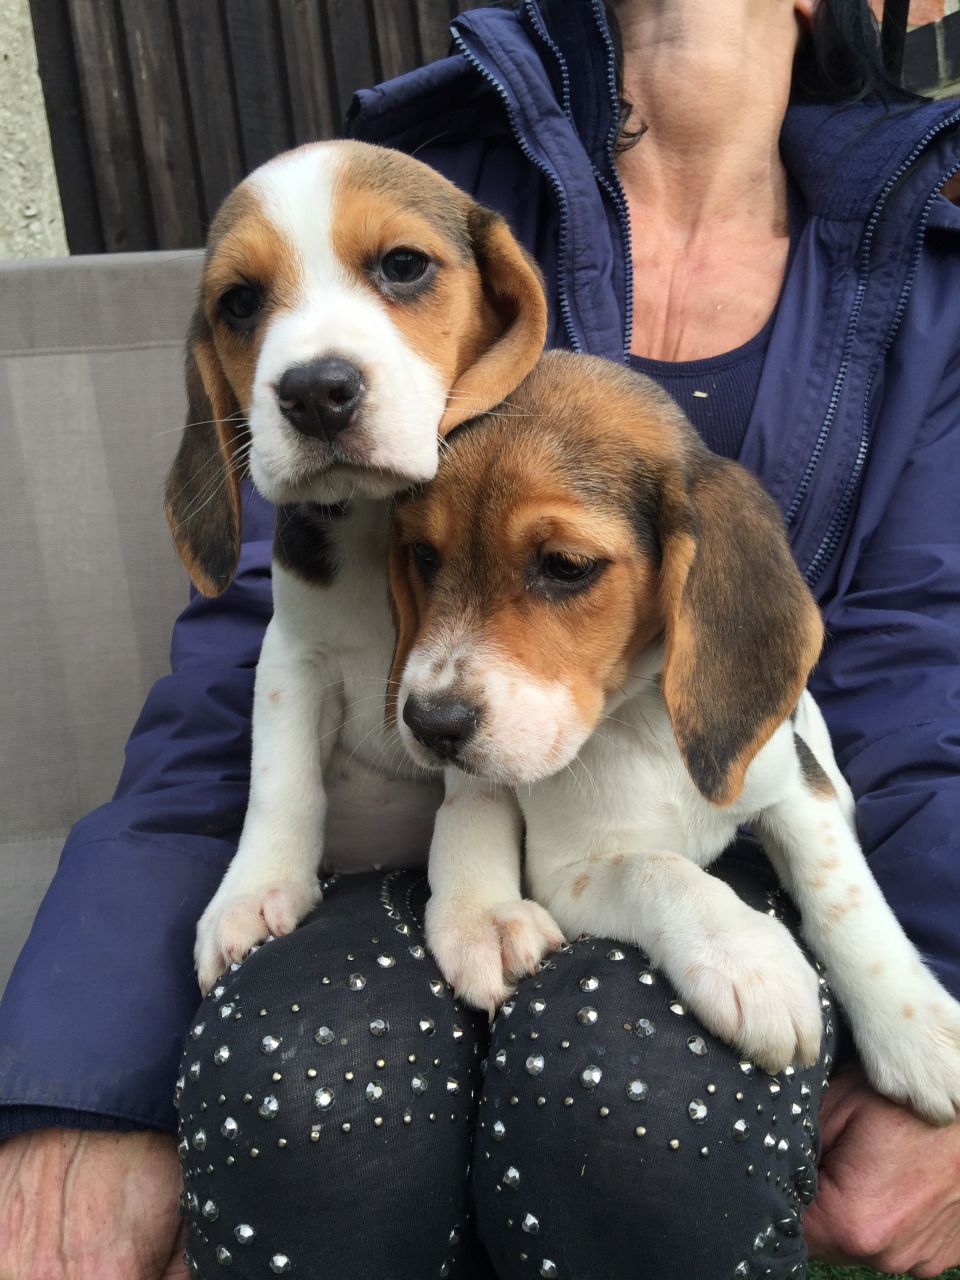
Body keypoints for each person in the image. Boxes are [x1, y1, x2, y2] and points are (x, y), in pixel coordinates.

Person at [2, 0, 959, 1276]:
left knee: (641, 1118)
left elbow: (911, 670)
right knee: (302, 1105)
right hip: (412, 826)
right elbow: (264, 632)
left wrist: (935, 986)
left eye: (400, 272)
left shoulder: (928, 256)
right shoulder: (419, 196)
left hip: (711, 804)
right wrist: (82, 1071)